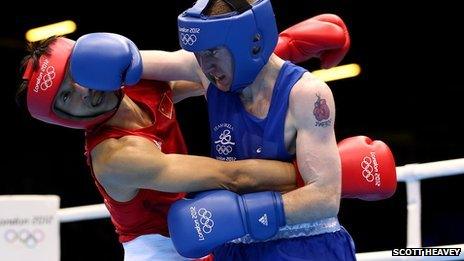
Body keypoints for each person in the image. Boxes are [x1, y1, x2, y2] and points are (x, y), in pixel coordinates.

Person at [16, 15, 391, 260]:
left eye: (77, 77)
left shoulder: (139, 87)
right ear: (62, 117)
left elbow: (211, 73)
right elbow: (230, 176)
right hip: (160, 250)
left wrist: (285, 45)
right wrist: (327, 178)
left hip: (203, 228)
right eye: (66, 97)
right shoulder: (117, 155)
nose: (85, 92)